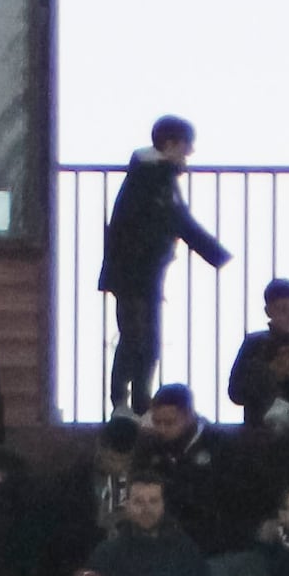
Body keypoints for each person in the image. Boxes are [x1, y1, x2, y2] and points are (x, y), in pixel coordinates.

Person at [96, 115, 226, 416]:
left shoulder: (151, 174)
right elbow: (175, 220)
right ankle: (127, 402)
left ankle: (135, 403)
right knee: (137, 337)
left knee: (142, 338)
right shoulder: (153, 177)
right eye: (186, 145)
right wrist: (216, 255)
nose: (189, 152)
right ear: (170, 144)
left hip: (140, 273)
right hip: (136, 273)